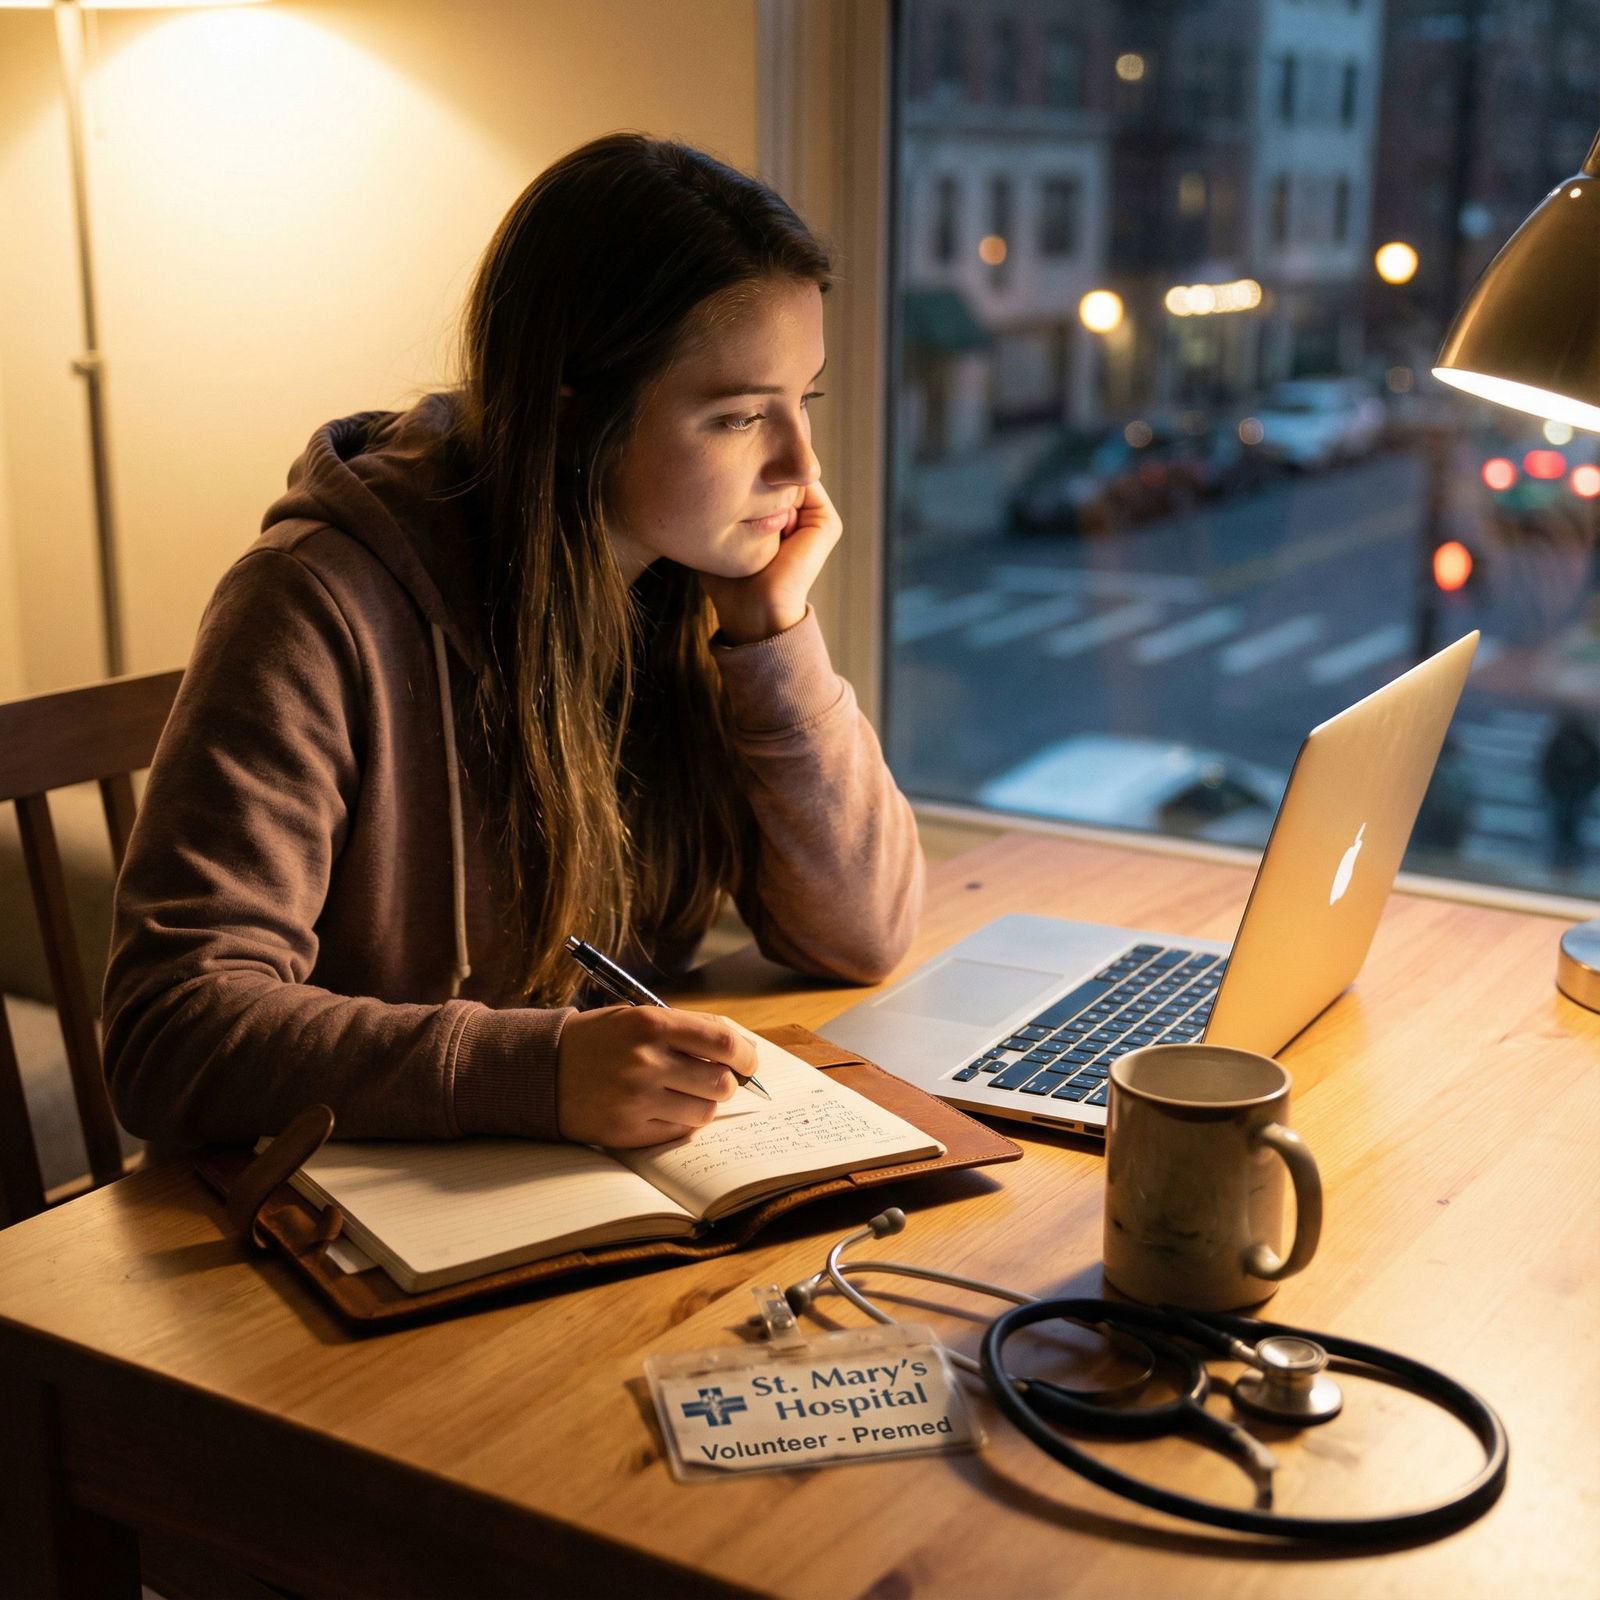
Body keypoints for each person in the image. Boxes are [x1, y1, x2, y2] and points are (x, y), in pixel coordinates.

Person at [104, 134, 923, 1152]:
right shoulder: (311, 605)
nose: (800, 464)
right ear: (573, 416)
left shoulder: (687, 588)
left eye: (805, 399)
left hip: (567, 1182)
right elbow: (169, 1032)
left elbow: (862, 934)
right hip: (356, 1217)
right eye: (736, 417)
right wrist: (533, 1071)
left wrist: (772, 635)